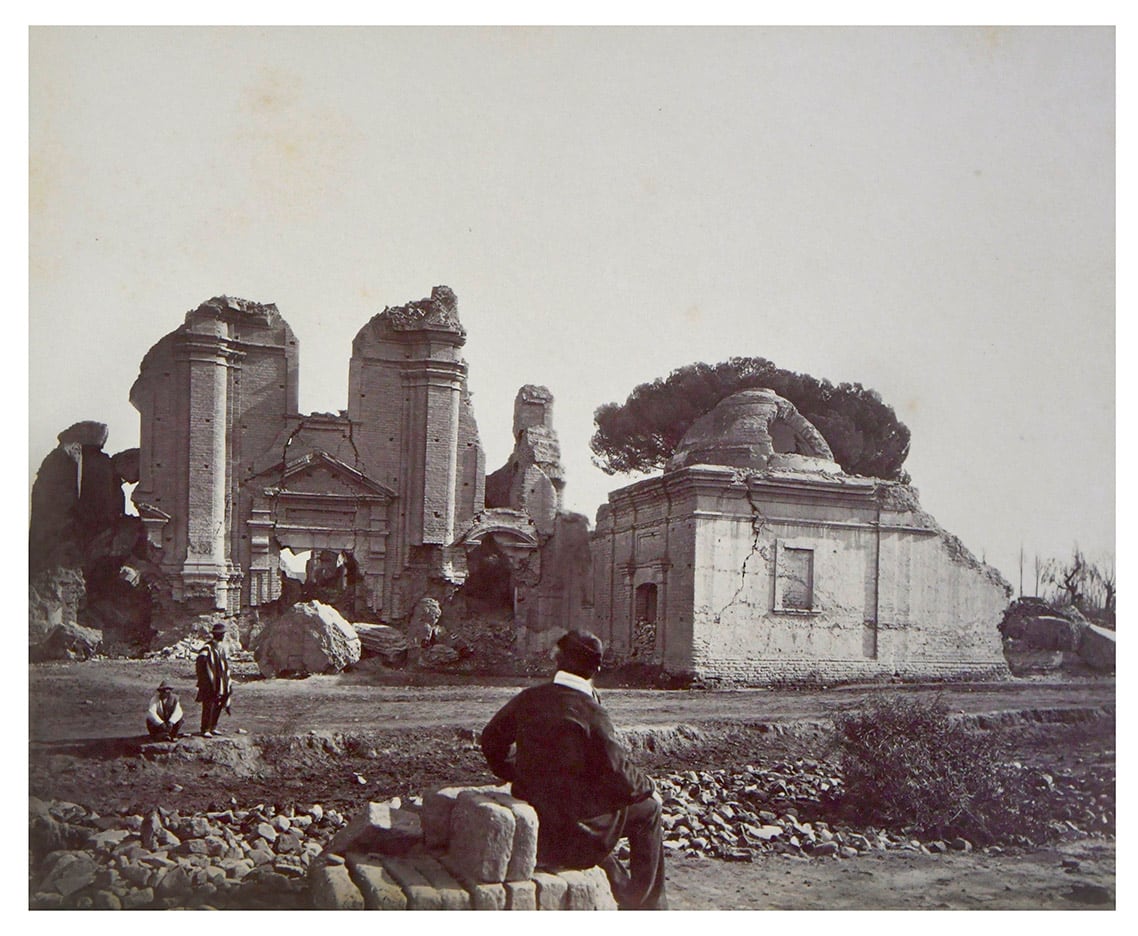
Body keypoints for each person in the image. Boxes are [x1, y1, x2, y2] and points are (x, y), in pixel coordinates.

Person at [480, 629, 667, 910]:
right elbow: (621, 776)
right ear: (597, 668)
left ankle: (618, 885)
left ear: (558, 660)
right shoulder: (591, 712)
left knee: (595, 807)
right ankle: (644, 906)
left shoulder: (529, 698)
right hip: (573, 836)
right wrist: (650, 787)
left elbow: (491, 739)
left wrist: (514, 772)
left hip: (538, 825)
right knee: (649, 810)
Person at [195, 622, 232, 738]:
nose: (223, 636)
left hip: (219, 683)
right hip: (209, 684)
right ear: (216, 634)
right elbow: (200, 665)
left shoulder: (220, 649)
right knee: (208, 706)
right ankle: (205, 728)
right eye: (221, 634)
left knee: (218, 704)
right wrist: (205, 681)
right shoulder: (207, 648)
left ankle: (213, 726)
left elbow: (223, 666)